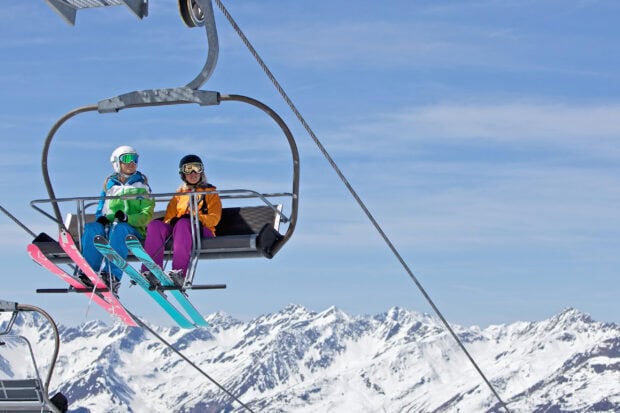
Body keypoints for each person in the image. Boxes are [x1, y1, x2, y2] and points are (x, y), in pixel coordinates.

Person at [80, 145, 155, 295]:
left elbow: (146, 215)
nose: (132, 162)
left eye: (135, 159)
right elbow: (101, 208)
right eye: (127, 159)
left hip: (132, 230)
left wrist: (128, 218)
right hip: (110, 227)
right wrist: (100, 219)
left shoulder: (142, 186)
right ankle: (89, 272)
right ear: (116, 163)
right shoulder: (109, 185)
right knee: (92, 228)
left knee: (120, 230)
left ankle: (112, 276)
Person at [142, 154, 222, 286]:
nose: (193, 173)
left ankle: (179, 273)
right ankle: (151, 272)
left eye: (197, 168)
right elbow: (169, 218)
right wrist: (172, 221)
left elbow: (214, 219)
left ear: (201, 170)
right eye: (188, 169)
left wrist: (196, 218)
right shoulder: (179, 194)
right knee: (155, 225)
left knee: (183, 223)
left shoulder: (210, 193)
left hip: (202, 231)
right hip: (180, 230)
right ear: (182, 173)